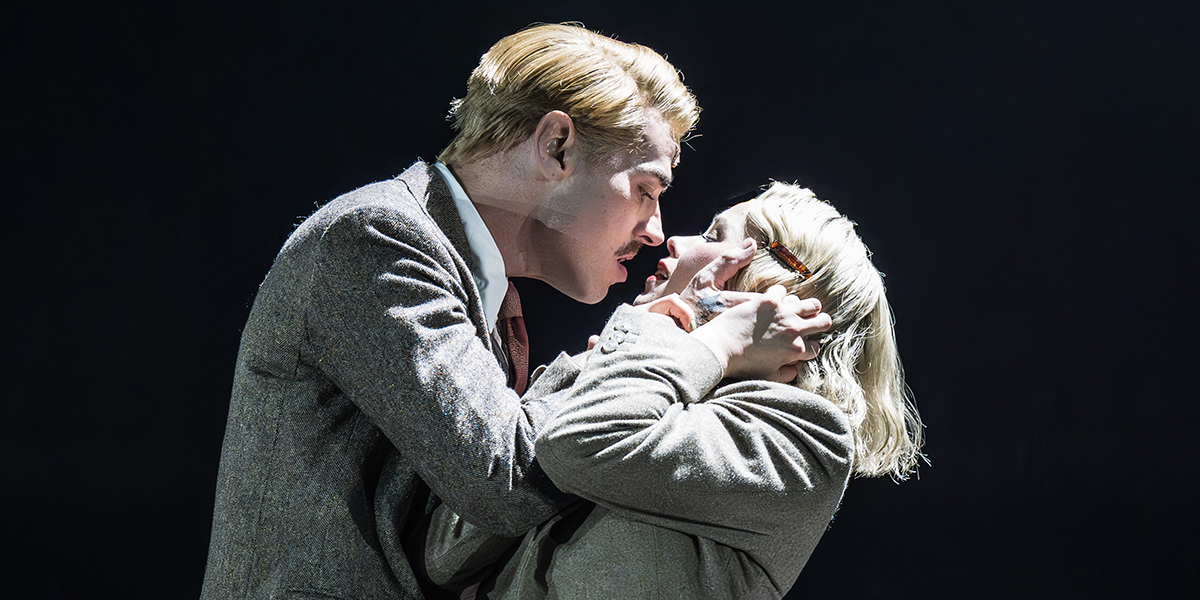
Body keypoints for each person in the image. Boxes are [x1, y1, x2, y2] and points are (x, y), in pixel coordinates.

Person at [201, 24, 830, 600]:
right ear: (556, 146)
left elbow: (465, 526)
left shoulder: (480, 288)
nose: (655, 230)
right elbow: (504, 481)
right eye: (646, 189)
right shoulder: (378, 240)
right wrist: (675, 331)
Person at [423, 182, 924, 599]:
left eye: (713, 233)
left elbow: (583, 444)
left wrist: (713, 340)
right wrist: (614, 358)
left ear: (770, 286)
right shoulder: (653, 379)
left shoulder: (801, 441)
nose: (676, 241)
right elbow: (447, 547)